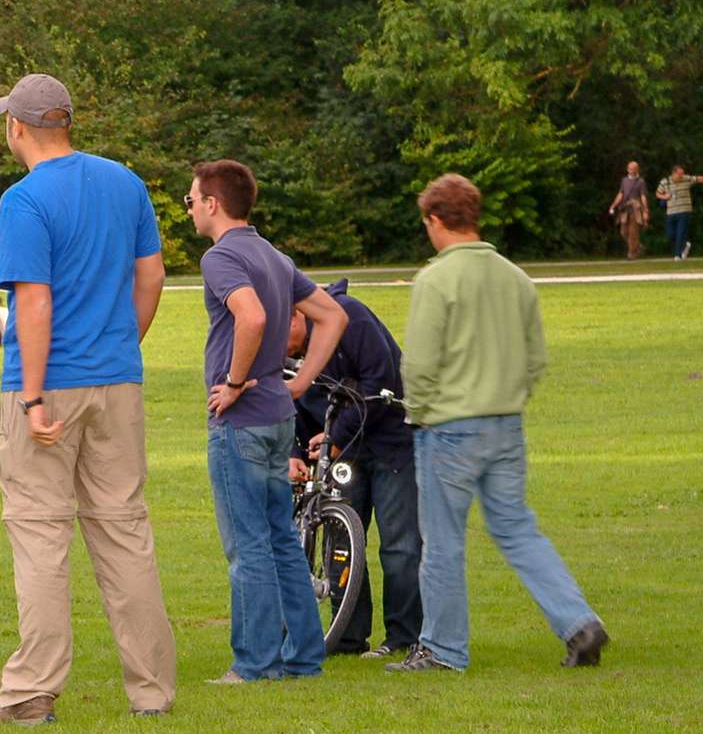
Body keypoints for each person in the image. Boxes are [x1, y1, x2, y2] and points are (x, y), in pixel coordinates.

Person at [0, 74, 175, 725]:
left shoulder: (24, 200)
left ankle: (33, 691)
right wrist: (121, 345)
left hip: (47, 386)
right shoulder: (127, 183)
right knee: (125, 533)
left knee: (40, 535)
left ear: (19, 128)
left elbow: (33, 300)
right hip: (117, 381)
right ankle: (152, 693)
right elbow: (151, 276)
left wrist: (33, 397)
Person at [386, 174, 609, 674]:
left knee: (442, 542)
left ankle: (442, 649)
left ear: (436, 220)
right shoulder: (515, 277)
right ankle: (579, 622)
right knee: (517, 529)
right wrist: (510, 398)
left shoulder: (436, 280)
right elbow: (535, 357)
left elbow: (419, 363)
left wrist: (417, 413)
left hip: (447, 427)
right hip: (505, 424)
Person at [187, 158, 349, 685]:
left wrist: (233, 382)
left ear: (213, 203)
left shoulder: (221, 257)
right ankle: (303, 657)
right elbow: (333, 316)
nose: (189, 210)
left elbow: (251, 316)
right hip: (279, 418)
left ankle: (254, 664)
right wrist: (297, 383)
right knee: (281, 539)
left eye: (191, 201)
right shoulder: (275, 256)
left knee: (248, 544)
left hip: (242, 423)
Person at [285, 279, 420, 660]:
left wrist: (337, 436)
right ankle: (346, 636)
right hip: (341, 451)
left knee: (401, 545)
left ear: (296, 316)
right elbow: (292, 400)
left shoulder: (351, 318)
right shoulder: (286, 350)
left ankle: (403, 636)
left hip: (392, 444)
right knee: (340, 544)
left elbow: (383, 380)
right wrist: (295, 449)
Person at [655, 164, 703, 260]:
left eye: (682, 174)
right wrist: (665, 197)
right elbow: (658, 194)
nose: (681, 176)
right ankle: (684, 245)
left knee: (681, 233)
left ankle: (677, 255)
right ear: (674, 173)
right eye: (679, 174)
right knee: (670, 234)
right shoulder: (665, 182)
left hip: (684, 211)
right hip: (671, 212)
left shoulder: (686, 179)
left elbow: (699, 179)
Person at [607, 162, 648, 259]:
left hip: (636, 209)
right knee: (623, 232)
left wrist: (646, 210)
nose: (631, 169)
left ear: (637, 169)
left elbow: (643, 196)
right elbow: (620, 194)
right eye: (629, 168)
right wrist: (613, 205)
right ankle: (637, 246)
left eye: (633, 168)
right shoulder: (624, 180)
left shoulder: (640, 182)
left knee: (633, 232)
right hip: (625, 209)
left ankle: (631, 254)